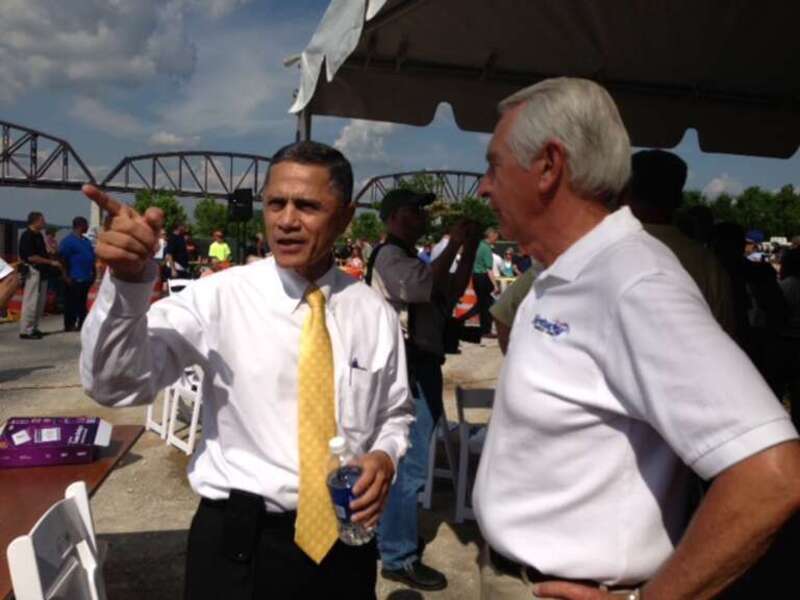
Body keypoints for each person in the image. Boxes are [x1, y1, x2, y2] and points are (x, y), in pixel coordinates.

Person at [472, 77, 800, 600]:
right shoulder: (565, 272)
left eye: (494, 165)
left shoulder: (632, 282)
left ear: (549, 166)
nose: (483, 187)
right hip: (517, 575)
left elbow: (772, 473)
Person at [79, 141, 413, 600]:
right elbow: (114, 384)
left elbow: (395, 413)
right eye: (276, 203)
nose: (286, 220)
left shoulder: (372, 313)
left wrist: (386, 456)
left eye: (308, 205)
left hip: (346, 543)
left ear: (345, 216)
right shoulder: (217, 298)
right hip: (241, 549)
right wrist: (128, 284)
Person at [368, 188, 480, 591]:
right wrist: (451, 242)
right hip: (409, 368)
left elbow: (447, 291)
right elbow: (420, 288)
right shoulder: (389, 258)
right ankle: (397, 555)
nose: (423, 217)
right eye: (416, 210)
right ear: (396, 215)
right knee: (412, 462)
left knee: (415, 457)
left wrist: (468, 248)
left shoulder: (411, 258)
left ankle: (390, 539)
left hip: (423, 366)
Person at [622, 149, 737, 337]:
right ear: (679, 200)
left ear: (625, 192)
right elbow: (726, 335)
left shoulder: (599, 251)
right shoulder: (707, 265)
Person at [19, 211, 61, 339]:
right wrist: (50, 262)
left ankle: (34, 327)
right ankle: (26, 330)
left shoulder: (39, 235)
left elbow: (42, 253)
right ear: (35, 221)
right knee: (31, 302)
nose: (44, 223)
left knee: (40, 302)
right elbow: (31, 257)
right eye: (42, 220)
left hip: (42, 272)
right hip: (33, 271)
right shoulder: (27, 236)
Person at [458, 228, 499, 337]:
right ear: (491, 236)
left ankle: (476, 325)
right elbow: (489, 269)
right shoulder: (486, 248)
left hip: (475, 277)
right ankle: (486, 330)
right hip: (483, 277)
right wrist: (495, 285)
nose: (497, 240)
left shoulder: (476, 245)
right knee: (487, 305)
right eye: (496, 237)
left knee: (481, 304)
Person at [58, 216, 96, 332]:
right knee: (71, 304)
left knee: (82, 304)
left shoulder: (86, 241)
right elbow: (62, 260)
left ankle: (82, 324)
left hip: (86, 278)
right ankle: (69, 325)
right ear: (80, 226)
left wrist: (93, 273)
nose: (88, 227)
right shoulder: (68, 242)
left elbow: (91, 257)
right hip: (74, 278)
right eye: (86, 225)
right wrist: (65, 276)